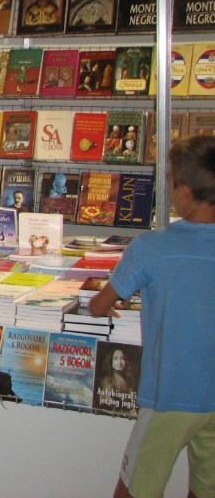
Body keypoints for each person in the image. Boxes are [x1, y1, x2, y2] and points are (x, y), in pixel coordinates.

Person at [89, 134, 215, 498]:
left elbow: (99, 305)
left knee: (135, 488)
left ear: (184, 191)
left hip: (170, 395)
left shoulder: (151, 247)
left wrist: (108, 301)